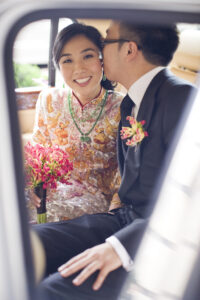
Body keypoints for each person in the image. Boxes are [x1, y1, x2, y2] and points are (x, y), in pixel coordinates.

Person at [35, 20, 196, 300]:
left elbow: (191, 204)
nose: (99, 54)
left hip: (154, 236)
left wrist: (120, 247)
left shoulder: (181, 98)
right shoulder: (131, 103)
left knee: (51, 289)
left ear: (129, 50)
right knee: (26, 243)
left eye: (105, 42)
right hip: (123, 219)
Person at [28, 23, 124, 223]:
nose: (78, 69)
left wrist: (116, 213)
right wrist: (34, 187)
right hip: (51, 191)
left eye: (88, 56)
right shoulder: (48, 100)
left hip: (96, 201)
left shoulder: (123, 107)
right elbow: (38, 151)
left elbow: (129, 170)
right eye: (67, 60)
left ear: (102, 60)